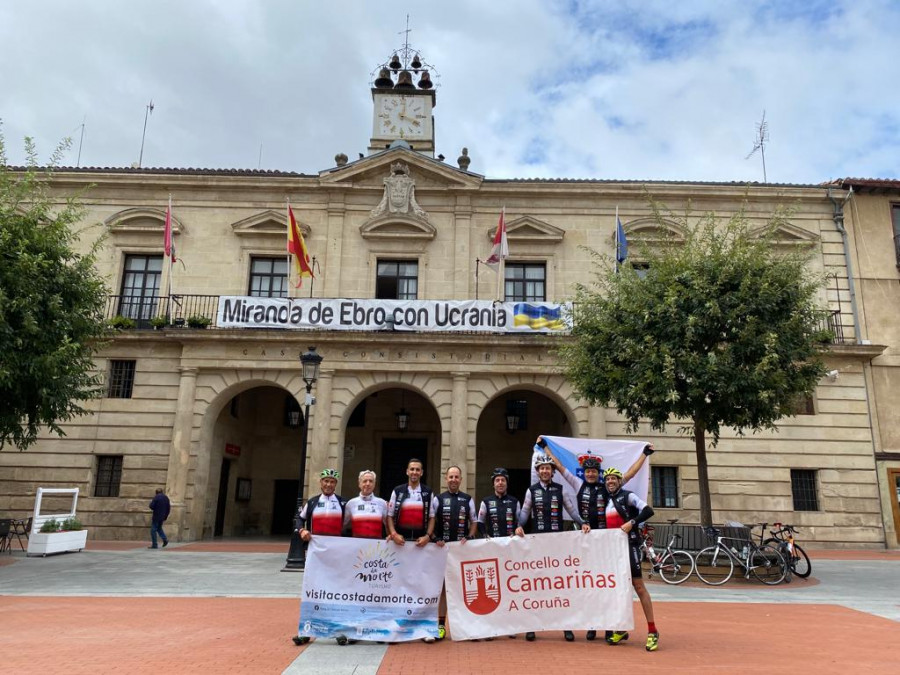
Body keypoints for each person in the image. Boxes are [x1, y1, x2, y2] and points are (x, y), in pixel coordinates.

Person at [540, 438, 654, 642]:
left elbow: (629, 474)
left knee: (607, 585)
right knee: (590, 583)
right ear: (584, 472)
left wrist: (644, 454)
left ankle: (610, 627)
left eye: (594, 471)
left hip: (608, 542)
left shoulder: (608, 487)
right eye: (588, 471)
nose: (591, 473)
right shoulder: (577, 483)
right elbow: (559, 465)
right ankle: (592, 624)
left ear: (598, 473)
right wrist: (545, 447)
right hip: (587, 540)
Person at [515, 454, 585, 642]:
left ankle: (566, 626)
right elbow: (524, 512)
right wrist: (519, 526)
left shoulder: (560, 489)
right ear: (537, 472)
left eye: (548, 468)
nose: (545, 471)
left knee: (560, 584)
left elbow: (571, 510)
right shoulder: (531, 491)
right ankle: (532, 626)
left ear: (553, 471)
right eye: (541, 468)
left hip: (557, 541)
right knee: (535, 584)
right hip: (537, 541)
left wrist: (583, 522)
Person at [603, 466, 659, 652]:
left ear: (620, 481)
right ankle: (621, 629)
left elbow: (648, 510)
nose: (610, 481)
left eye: (614, 478)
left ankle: (652, 631)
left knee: (639, 586)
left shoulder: (628, 496)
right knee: (619, 589)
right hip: (614, 550)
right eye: (608, 479)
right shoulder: (607, 501)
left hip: (630, 545)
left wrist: (632, 523)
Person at [293, 469, 349, 646]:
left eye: (332, 482)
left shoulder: (342, 503)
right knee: (313, 591)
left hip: (336, 555)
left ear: (336, 484)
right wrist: (302, 530)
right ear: (321, 483)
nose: (328, 484)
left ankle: (339, 630)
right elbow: (298, 519)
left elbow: (349, 524)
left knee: (336, 592)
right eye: (326, 481)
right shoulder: (313, 502)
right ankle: (305, 631)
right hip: (316, 554)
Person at [386, 458, 439, 643]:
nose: (415, 472)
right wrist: (393, 534)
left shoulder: (428, 492)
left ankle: (423, 629)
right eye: (412, 469)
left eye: (418, 469)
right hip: (400, 545)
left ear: (422, 472)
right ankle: (396, 628)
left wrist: (428, 536)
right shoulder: (398, 491)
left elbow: (432, 517)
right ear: (407, 472)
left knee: (421, 587)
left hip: (420, 545)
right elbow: (389, 516)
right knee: (399, 586)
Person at [432, 465, 478, 640]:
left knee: (463, 589)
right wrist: (435, 537)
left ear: (461, 479)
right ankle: (441, 626)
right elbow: (431, 521)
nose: (453, 480)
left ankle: (466, 627)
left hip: (461, 551)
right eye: (450, 477)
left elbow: (474, 521)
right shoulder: (438, 499)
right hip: (442, 551)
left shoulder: (467, 499)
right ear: (446, 479)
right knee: (443, 589)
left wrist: (470, 536)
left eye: (456, 477)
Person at [477, 467, 521, 640]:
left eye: (503, 480)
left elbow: (520, 521)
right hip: (492, 549)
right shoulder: (486, 501)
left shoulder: (514, 501)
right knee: (492, 588)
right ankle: (491, 625)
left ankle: (509, 625)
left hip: (510, 550)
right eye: (497, 480)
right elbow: (480, 522)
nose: (500, 483)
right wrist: (485, 536)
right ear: (493, 483)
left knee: (509, 587)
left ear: (507, 483)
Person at [343, 469, 388, 539]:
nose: (368, 484)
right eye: (364, 481)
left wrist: (390, 536)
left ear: (374, 484)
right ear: (359, 484)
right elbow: (342, 525)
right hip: (357, 545)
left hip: (376, 545)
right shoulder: (351, 503)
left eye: (371, 481)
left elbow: (388, 525)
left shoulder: (382, 503)